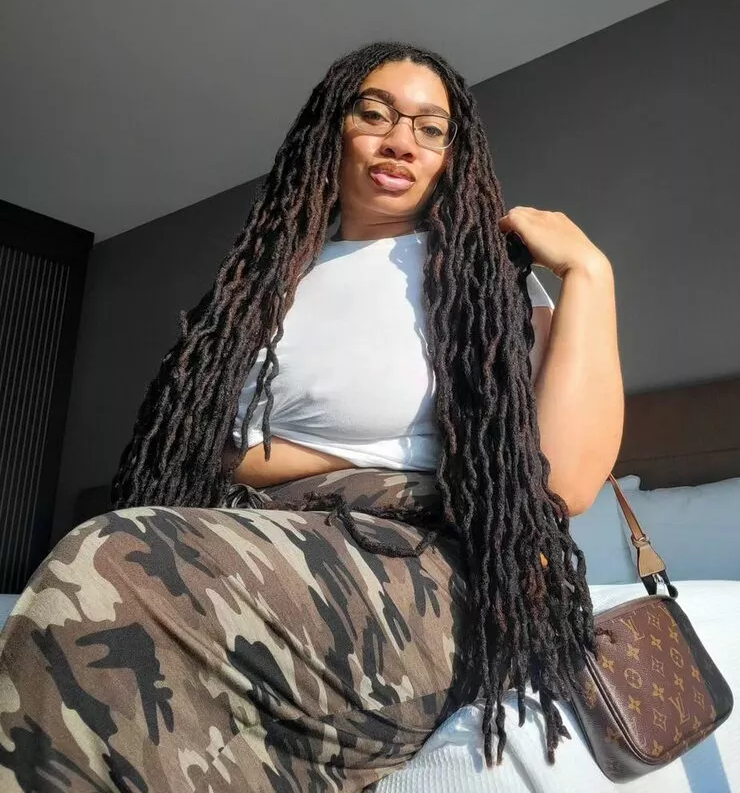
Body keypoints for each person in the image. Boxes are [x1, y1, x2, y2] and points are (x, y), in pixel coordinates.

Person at [0, 40, 624, 791]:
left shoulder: (481, 281)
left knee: (109, 561)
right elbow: (199, 453)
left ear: (452, 156)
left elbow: (566, 483)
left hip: (412, 566)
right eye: (375, 114)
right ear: (332, 128)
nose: (401, 141)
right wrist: (331, 455)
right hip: (249, 537)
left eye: (431, 128)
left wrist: (589, 273)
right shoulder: (261, 286)